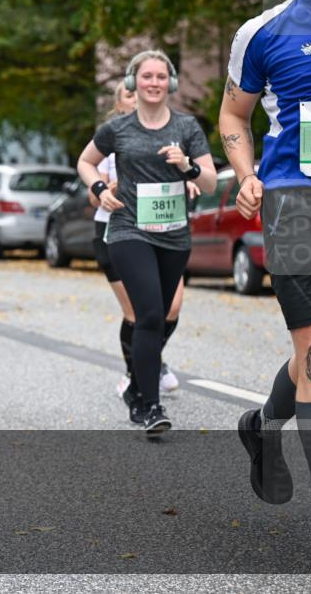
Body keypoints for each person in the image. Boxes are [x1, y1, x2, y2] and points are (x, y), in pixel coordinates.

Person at [220, 0, 311, 572]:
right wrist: (245, 174)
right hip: (298, 202)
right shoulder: (264, 31)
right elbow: (236, 116)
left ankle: (263, 426)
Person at [77, 50, 216, 435]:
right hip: (128, 230)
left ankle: (136, 389)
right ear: (132, 83)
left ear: (169, 83)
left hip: (173, 235)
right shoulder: (117, 128)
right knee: (151, 313)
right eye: (146, 76)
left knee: (164, 314)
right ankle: (152, 406)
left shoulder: (187, 127)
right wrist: (100, 188)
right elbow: (85, 162)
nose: (153, 83)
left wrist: (187, 165)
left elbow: (208, 181)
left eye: (160, 77)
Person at [90, 82, 188, 398]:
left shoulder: (167, 136)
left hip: (160, 231)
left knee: (170, 309)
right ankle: (136, 376)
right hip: (115, 233)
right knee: (138, 313)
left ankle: (150, 360)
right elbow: (94, 194)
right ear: (119, 106)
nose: (138, 98)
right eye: (129, 95)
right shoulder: (110, 141)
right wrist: (112, 189)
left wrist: (189, 181)